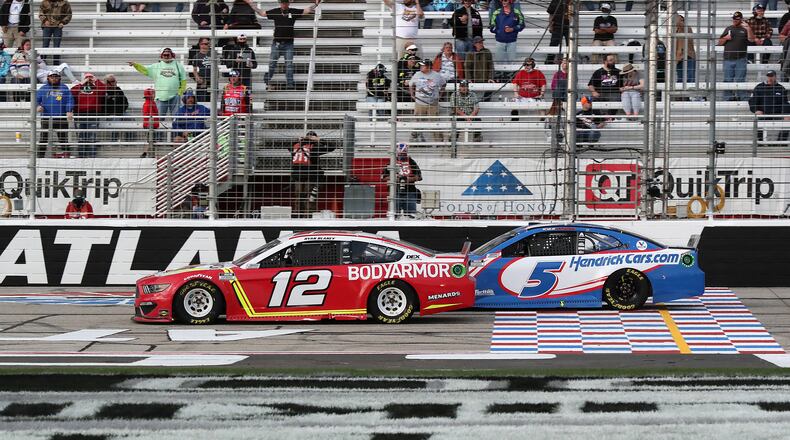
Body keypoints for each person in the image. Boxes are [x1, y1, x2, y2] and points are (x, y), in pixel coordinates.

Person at [254, 0, 317, 90]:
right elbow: (263, 13)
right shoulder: (276, 11)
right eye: (283, 2)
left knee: (289, 65)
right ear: (280, 3)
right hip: (277, 43)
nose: (284, 4)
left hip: (288, 44)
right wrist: (252, 6)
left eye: (285, 2)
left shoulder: (293, 11)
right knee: (272, 64)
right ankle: (266, 82)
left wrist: (316, 4)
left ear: (288, 3)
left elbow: (305, 11)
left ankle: (290, 85)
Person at [128, 48, 187, 119]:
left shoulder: (178, 66)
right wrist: (136, 65)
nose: (166, 56)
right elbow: (145, 70)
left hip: (175, 96)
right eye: (164, 55)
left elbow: (183, 80)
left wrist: (180, 92)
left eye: (168, 55)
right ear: (162, 56)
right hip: (161, 96)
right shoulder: (156, 66)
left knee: (176, 118)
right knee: (159, 119)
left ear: (172, 55)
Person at [289, 130, 335, 218]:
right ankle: (308, 218)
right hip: (311, 176)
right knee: (310, 198)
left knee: (298, 198)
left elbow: (286, 145)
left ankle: (297, 218)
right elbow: (332, 147)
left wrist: (297, 140)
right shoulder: (315, 147)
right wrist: (319, 140)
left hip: (297, 176)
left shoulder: (295, 146)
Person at [718, 11, 754, 101]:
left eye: (737, 19)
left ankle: (742, 98)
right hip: (728, 58)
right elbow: (720, 43)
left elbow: (752, 40)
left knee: (740, 80)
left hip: (741, 59)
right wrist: (725, 38)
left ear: (741, 19)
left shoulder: (745, 29)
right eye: (734, 19)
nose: (735, 20)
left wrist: (748, 28)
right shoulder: (728, 28)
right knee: (727, 80)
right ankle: (727, 98)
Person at [36, 71, 73, 157]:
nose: (54, 79)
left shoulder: (64, 88)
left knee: (63, 138)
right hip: (46, 117)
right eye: (52, 77)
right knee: (43, 138)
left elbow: (69, 100)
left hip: (61, 117)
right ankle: (40, 157)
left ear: (59, 78)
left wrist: (69, 110)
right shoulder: (43, 88)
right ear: (48, 78)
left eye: (56, 77)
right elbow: (36, 99)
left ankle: (67, 156)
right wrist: (38, 106)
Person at [409, 58, 446, 144]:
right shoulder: (417, 74)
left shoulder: (436, 75)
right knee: (418, 122)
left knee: (435, 123)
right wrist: (412, 94)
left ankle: (439, 142)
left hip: (432, 103)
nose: (421, 67)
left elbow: (444, 84)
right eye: (421, 65)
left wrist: (440, 94)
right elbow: (411, 84)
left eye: (423, 66)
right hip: (420, 103)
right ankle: (415, 140)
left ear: (428, 67)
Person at [748, 70, 790, 145]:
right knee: (757, 119)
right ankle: (760, 142)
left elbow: (785, 103)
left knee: (788, 119)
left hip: (777, 113)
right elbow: (752, 101)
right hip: (763, 113)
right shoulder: (759, 87)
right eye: (769, 76)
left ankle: (781, 142)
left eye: (772, 76)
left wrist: (786, 114)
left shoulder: (781, 88)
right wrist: (756, 110)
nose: (770, 78)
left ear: (775, 77)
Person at [381, 143, 422, 216]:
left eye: (404, 153)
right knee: (394, 215)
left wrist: (408, 179)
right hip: (395, 192)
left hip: (410, 192)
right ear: (397, 152)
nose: (402, 155)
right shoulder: (392, 162)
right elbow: (383, 177)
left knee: (411, 215)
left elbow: (419, 176)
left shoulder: (411, 162)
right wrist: (396, 178)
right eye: (400, 153)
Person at [71, 72, 105, 158]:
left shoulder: (96, 88)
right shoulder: (79, 87)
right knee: (81, 136)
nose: (89, 79)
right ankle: (82, 156)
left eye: (90, 77)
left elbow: (103, 90)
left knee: (92, 136)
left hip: (93, 114)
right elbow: (72, 92)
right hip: (80, 114)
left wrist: (96, 81)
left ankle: (92, 156)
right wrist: (81, 83)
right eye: (87, 77)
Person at [39, 0, 71, 65]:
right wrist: (45, 20)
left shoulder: (64, 2)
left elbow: (68, 14)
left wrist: (62, 22)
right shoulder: (44, 2)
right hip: (47, 26)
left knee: (56, 47)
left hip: (58, 27)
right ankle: (42, 63)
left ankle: (56, 64)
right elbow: (41, 13)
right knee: (45, 45)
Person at [102, 74, 129, 143]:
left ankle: (129, 140)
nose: (116, 82)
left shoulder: (118, 90)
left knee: (130, 118)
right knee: (116, 119)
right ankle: (114, 140)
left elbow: (125, 103)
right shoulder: (103, 91)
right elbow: (105, 106)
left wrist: (120, 111)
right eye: (113, 81)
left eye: (115, 80)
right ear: (107, 82)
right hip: (109, 114)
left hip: (120, 112)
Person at [546, 0, 569, 65]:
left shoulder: (572, 1)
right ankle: (549, 61)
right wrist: (550, 26)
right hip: (557, 26)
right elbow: (551, 14)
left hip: (570, 26)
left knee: (570, 44)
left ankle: (569, 61)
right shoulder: (555, 1)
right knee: (553, 43)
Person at [675, 15, 696, 85]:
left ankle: (689, 92)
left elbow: (678, 23)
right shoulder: (676, 31)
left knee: (689, 79)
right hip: (679, 58)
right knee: (680, 79)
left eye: (681, 20)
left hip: (688, 57)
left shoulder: (687, 28)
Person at [189, 38, 212, 102]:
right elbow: (194, 70)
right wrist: (197, 78)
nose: (205, 45)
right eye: (203, 44)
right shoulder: (196, 56)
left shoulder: (213, 54)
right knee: (201, 101)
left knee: (212, 101)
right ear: (200, 44)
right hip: (202, 81)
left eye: (207, 44)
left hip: (212, 81)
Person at [140, 87, 159, 158]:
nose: (154, 95)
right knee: (151, 140)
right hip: (150, 125)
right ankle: (146, 153)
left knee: (151, 140)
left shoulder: (148, 103)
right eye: (153, 93)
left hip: (149, 124)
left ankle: (149, 153)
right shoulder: (150, 104)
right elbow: (152, 115)